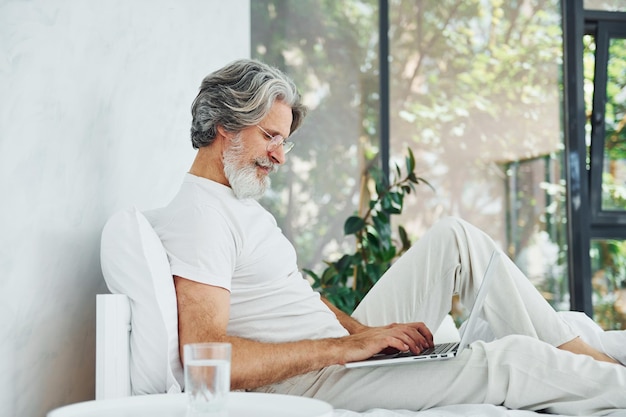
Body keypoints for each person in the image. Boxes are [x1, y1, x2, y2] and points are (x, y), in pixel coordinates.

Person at [145, 59, 626, 415]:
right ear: (226, 127)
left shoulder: (234, 202)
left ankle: (585, 355)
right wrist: (344, 349)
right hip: (306, 382)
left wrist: (361, 333)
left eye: (283, 140)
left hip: (332, 354)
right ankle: (611, 379)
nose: (280, 156)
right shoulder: (200, 217)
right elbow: (207, 356)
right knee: (513, 360)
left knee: (456, 239)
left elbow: (296, 296)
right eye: (270, 137)